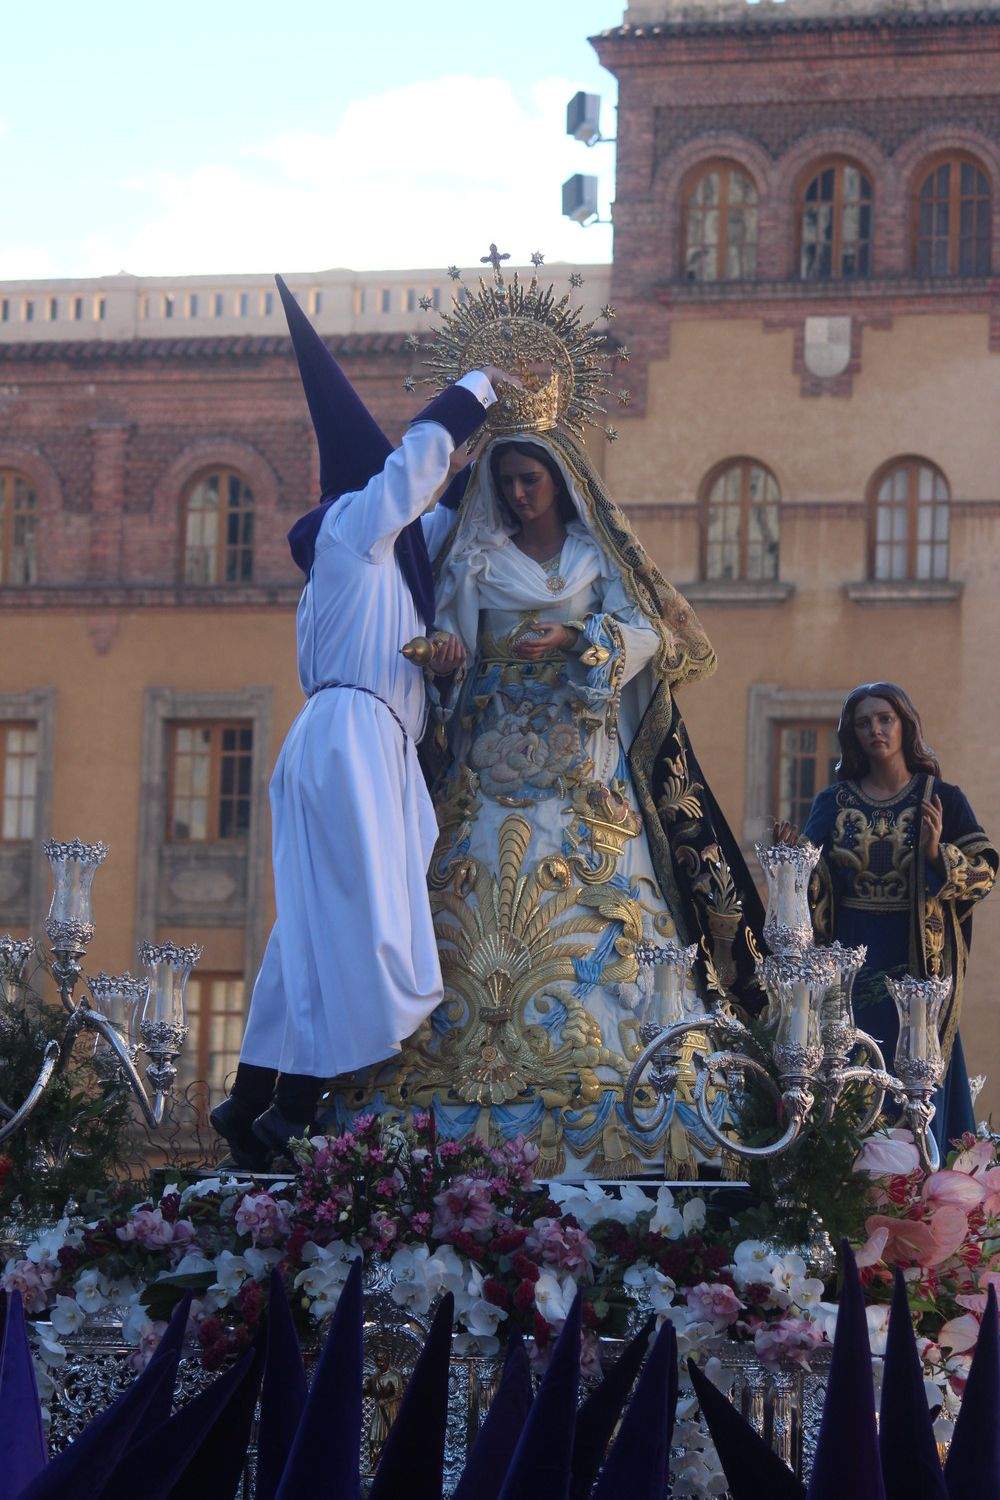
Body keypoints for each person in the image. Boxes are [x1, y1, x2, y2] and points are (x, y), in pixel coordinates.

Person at [324, 383, 765, 1178]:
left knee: (602, 903)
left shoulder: (596, 556)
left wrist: (579, 638)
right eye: (507, 483)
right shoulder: (476, 557)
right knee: (466, 895)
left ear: (560, 479)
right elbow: (449, 648)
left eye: (531, 479)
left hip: (583, 767)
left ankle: (629, 1080)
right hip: (490, 762)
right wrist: (446, 660)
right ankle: (437, 1089)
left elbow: (650, 634)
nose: (520, 494)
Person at [211, 273, 522, 1167]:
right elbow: (419, 468)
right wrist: (477, 390)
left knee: (310, 927)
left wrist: (492, 454)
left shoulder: (373, 562)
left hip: (344, 740)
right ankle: (297, 1108)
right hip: (352, 742)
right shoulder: (353, 527)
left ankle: (252, 1100)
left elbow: (443, 519)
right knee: (369, 921)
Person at [778, 682, 996, 1152]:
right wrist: (794, 859)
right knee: (851, 1061)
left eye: (885, 719)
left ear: (904, 726)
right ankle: (856, 1170)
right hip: (851, 958)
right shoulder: (833, 802)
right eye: (864, 723)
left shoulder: (941, 798)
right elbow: (813, 876)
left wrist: (938, 855)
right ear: (852, 735)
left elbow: (986, 872)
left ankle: (919, 1171)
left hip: (918, 958)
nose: (875, 730)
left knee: (916, 1065)